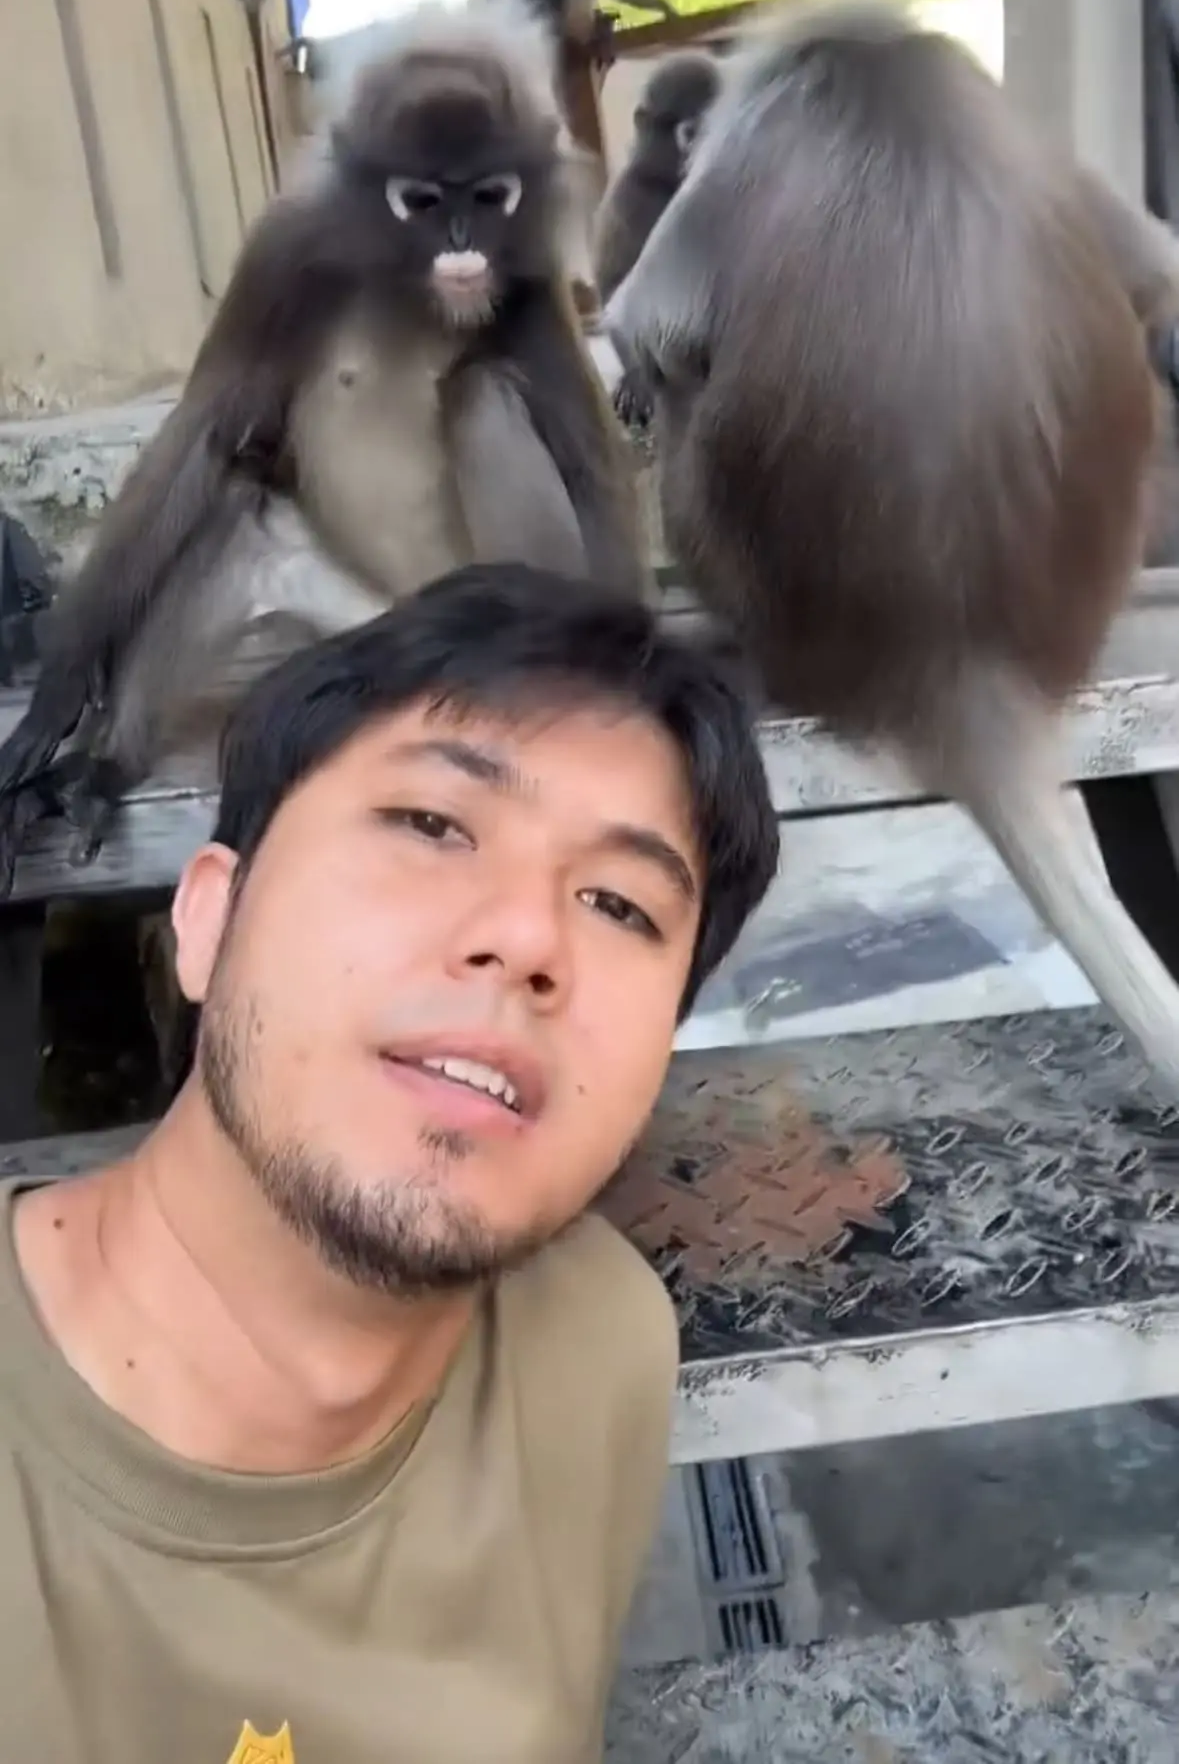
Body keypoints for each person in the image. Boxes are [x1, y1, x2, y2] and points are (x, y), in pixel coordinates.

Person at [0, 561, 778, 1763]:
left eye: (620, 905)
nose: (527, 936)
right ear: (206, 918)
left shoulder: (594, 1348)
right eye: (431, 825)